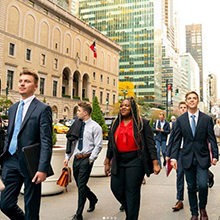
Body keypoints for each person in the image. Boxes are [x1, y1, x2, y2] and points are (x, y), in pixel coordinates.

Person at [0, 69, 53, 220]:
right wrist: (4, 155)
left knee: (31, 207)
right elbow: (9, 134)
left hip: (31, 163)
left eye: (27, 81)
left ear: (36, 86)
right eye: (21, 81)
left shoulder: (43, 109)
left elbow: (46, 141)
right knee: (5, 204)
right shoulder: (13, 108)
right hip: (10, 161)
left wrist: (42, 168)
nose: (22, 84)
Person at [104, 97, 160, 220]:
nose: (123, 107)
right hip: (119, 160)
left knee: (132, 192)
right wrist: (107, 161)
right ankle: (129, 207)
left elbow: (151, 145)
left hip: (136, 160)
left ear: (132, 108)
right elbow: (111, 145)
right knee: (116, 188)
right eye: (121, 105)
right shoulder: (115, 123)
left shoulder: (142, 123)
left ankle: (131, 216)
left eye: (127, 105)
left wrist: (155, 163)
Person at [171, 91, 218, 220]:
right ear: (186, 101)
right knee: (191, 187)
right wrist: (173, 157)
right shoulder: (180, 120)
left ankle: (202, 208)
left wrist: (215, 155)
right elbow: (176, 140)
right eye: (189, 98)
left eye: (194, 98)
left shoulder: (206, 119)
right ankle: (194, 213)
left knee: (203, 185)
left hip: (202, 158)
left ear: (197, 101)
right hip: (186, 158)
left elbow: (212, 138)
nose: (192, 100)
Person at [64, 102, 103, 220]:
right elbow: (72, 141)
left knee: (81, 186)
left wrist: (91, 159)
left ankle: (78, 214)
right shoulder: (76, 125)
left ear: (85, 113)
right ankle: (93, 198)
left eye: (78, 111)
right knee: (80, 185)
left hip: (86, 159)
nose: (77, 113)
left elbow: (98, 145)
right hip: (76, 159)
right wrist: (67, 157)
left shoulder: (95, 127)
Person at [166, 101, 188, 212]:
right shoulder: (175, 123)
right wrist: (168, 155)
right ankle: (179, 200)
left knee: (191, 178)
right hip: (179, 153)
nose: (183, 109)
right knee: (179, 175)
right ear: (179, 109)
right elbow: (172, 140)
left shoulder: (192, 121)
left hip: (190, 153)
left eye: (185, 107)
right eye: (182, 108)